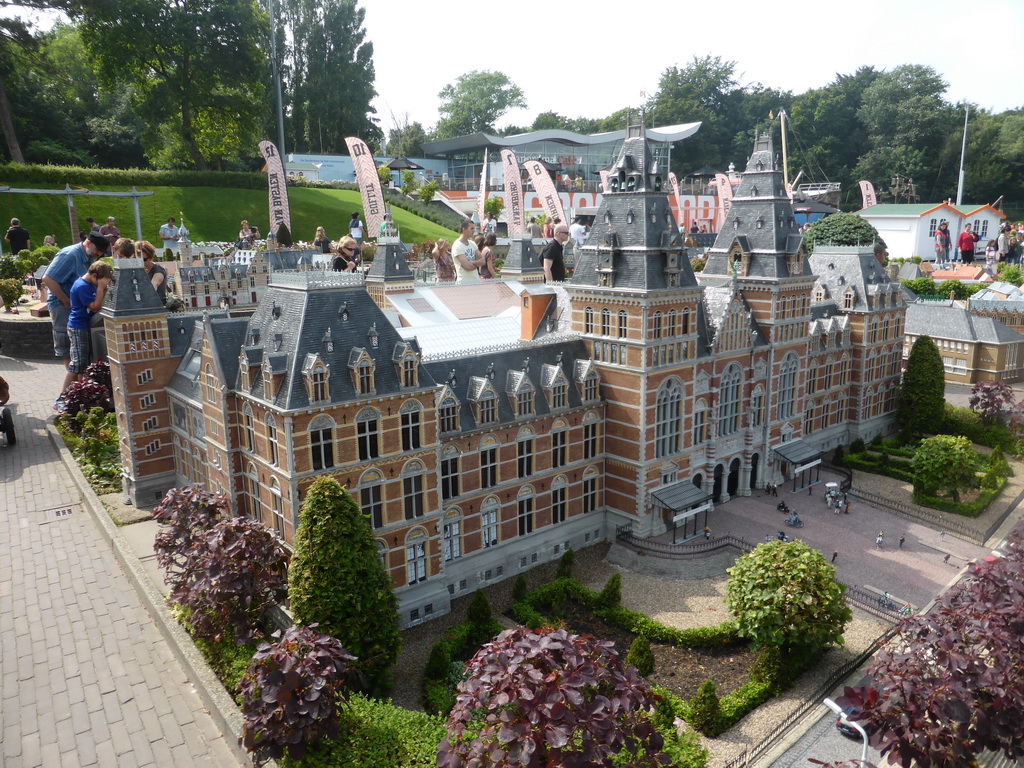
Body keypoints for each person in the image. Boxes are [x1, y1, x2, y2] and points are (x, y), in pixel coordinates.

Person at [43, 233, 108, 394]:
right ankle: (71, 390)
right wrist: (66, 300)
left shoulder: (90, 257)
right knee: (69, 349)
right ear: (88, 243)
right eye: (97, 250)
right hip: (62, 305)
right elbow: (48, 279)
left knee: (78, 354)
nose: (98, 254)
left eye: (101, 253)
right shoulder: (69, 255)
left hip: (77, 305)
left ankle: (78, 386)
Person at [62, 260, 114, 396]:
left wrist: (103, 287)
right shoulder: (82, 286)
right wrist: (101, 288)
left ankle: (82, 393)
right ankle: (62, 396)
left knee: (83, 365)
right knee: (77, 364)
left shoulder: (89, 284)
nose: (102, 285)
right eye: (102, 282)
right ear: (95, 276)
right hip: (78, 327)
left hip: (84, 326)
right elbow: (95, 307)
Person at [452, 218, 483, 284]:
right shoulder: (458, 245)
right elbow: (467, 266)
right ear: (464, 229)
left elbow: (482, 261)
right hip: (464, 284)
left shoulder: (472, 243)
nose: (474, 231)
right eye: (471, 228)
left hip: (476, 282)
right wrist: (477, 263)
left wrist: (471, 263)